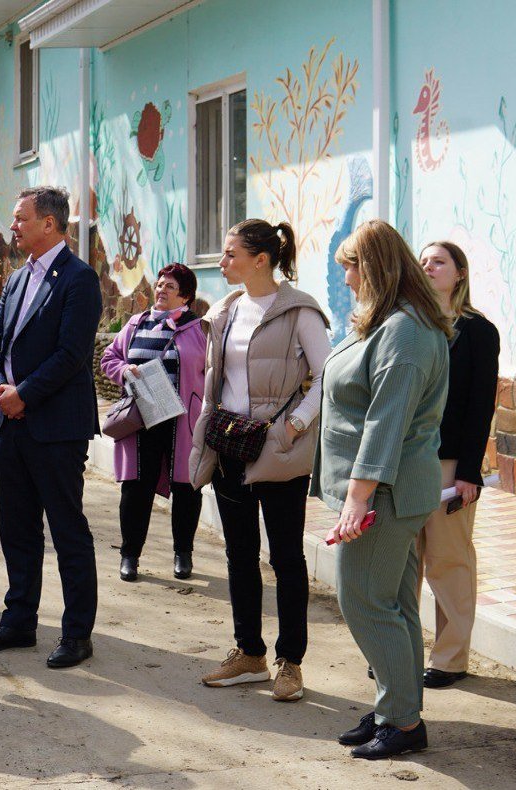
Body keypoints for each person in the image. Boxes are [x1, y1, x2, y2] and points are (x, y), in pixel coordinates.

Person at [316, 219, 450, 759]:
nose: (345, 277)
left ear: (374, 266)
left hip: (384, 495)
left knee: (364, 602)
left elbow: (385, 422)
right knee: (393, 603)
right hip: (386, 492)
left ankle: (403, 720)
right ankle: (398, 707)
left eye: (350, 265)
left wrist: (357, 498)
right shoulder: (390, 321)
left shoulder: (405, 331)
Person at [189, 218, 330, 702]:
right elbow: (217, 381)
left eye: (231, 254)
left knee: (286, 556)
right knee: (239, 554)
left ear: (261, 260)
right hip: (232, 444)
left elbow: (326, 378)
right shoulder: (227, 310)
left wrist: (295, 426)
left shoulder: (300, 311)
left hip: (280, 451)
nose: (223, 262)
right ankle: (249, 652)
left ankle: (290, 662)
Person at [0, 186, 103, 669]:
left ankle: (76, 634)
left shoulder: (79, 279)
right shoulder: (17, 278)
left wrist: (24, 394)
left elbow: (71, 355)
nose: (13, 226)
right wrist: (3, 390)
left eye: (21, 218)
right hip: (13, 424)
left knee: (68, 530)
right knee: (17, 529)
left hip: (55, 427)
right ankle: (19, 622)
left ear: (49, 223)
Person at [416, 241, 499, 689]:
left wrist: (470, 473)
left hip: (449, 466)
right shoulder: (409, 324)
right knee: (402, 564)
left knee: (448, 563)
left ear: (460, 273)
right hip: (406, 462)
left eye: (439, 261)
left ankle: (449, 659)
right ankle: (400, 649)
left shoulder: (478, 331)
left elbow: (481, 405)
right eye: (423, 261)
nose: (428, 266)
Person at [100, 263, 206, 582]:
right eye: (159, 284)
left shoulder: (199, 329)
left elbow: (215, 371)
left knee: (186, 487)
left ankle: (182, 554)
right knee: (136, 488)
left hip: (183, 423)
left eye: (170, 286)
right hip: (142, 418)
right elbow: (109, 359)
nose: (161, 289)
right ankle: (130, 555)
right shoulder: (136, 323)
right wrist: (125, 372)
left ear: (185, 294)